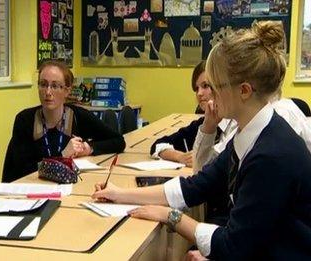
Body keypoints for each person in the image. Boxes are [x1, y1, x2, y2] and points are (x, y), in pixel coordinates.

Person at [92, 21, 311, 260]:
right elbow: (197, 185)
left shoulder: (271, 155)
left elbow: (233, 247)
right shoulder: (250, 134)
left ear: (245, 91)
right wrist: (120, 194)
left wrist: (171, 217)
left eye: (215, 87)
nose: (209, 97)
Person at [2, 60, 125, 182]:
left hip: (63, 187)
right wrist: (63, 156)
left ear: (67, 91)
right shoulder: (25, 120)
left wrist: (88, 148)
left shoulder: (78, 116)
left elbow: (118, 141)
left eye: (55, 86)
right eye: (43, 84)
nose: (48, 92)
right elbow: (23, 170)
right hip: (27, 190)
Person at [149, 61, 232, 168]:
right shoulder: (201, 125)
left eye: (205, 86)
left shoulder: (236, 126)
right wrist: (180, 156)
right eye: (196, 88)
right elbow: (157, 145)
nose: (199, 93)